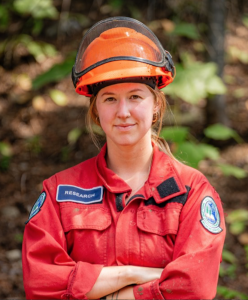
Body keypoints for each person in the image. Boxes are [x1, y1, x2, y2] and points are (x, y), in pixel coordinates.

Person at [22, 16, 226, 300]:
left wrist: (115, 295)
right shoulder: (59, 193)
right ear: (95, 111)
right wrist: (133, 275)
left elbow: (195, 285)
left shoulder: (191, 192)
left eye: (135, 96)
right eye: (109, 99)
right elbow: (41, 282)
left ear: (156, 105)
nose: (123, 111)